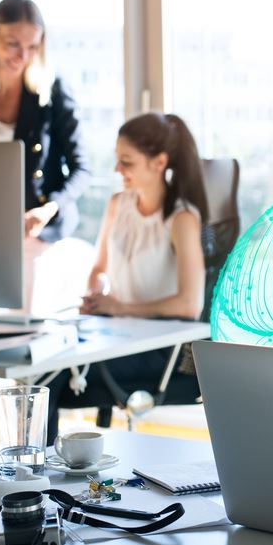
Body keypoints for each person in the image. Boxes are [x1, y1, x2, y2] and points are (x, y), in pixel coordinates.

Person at [64, 112, 209, 429]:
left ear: (159, 163)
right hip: (113, 334)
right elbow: (99, 268)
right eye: (117, 159)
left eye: (126, 162)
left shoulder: (181, 219)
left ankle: (32, 473)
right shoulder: (118, 204)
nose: (117, 169)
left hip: (155, 350)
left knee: (54, 378)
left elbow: (189, 304)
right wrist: (97, 293)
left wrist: (121, 307)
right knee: (44, 366)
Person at [0, 0, 89, 310]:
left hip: (38, 223)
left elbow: (82, 168)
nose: (23, 55)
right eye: (13, 44)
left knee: (23, 323)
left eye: (33, 47)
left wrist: (48, 210)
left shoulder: (52, 90)